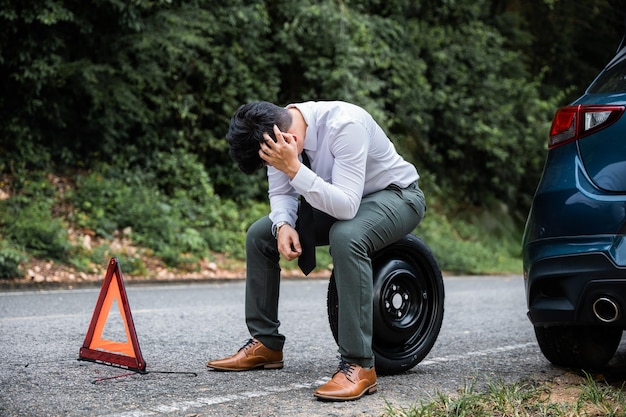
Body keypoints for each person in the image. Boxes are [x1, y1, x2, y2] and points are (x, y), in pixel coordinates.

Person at [207, 100, 426, 401]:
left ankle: (359, 365)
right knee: (261, 234)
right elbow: (281, 193)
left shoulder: (345, 125)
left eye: (270, 163)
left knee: (347, 236)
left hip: (396, 196)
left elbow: (347, 206)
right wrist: (283, 224)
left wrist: (293, 168)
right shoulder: (277, 134)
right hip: (341, 199)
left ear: (289, 140)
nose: (272, 168)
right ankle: (266, 343)